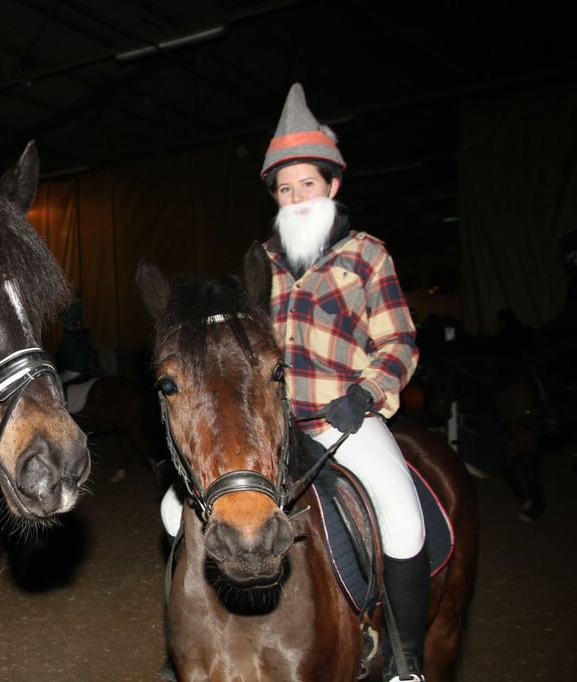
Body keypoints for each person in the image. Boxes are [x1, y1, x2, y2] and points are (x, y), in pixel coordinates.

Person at [260, 83, 426, 682]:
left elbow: (399, 342)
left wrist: (366, 394)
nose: (297, 197)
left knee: (404, 522)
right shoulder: (263, 262)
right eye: (285, 188)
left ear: (332, 187)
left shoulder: (367, 257)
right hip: (275, 424)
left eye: (308, 184)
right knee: (180, 511)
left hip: (346, 419)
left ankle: (408, 660)